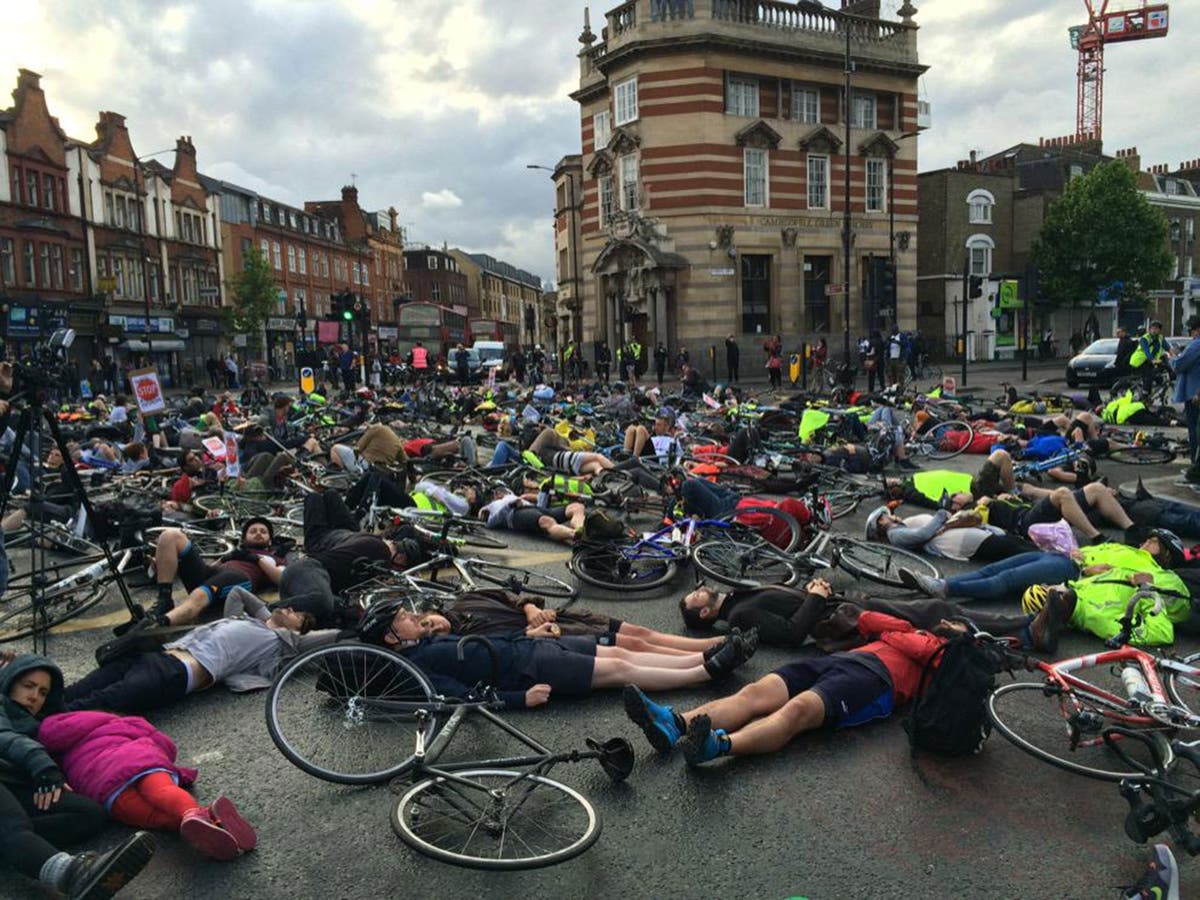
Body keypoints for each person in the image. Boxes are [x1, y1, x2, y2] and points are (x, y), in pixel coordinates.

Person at [623, 612, 964, 766]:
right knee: (755, 693)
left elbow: (921, 652)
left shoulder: (947, 655)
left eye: (957, 624)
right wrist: (906, 627)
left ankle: (719, 745)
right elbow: (866, 620)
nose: (950, 621)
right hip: (843, 660)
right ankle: (675, 724)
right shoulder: (910, 630)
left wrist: (915, 636)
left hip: (875, 682)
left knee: (797, 711)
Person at [358, 602, 757, 709]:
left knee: (619, 650)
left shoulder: (425, 646)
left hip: (532, 645)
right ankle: (705, 671)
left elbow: (490, 644)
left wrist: (527, 630)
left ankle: (704, 660)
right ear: (392, 639)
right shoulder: (419, 665)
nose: (414, 617)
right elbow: (456, 696)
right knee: (619, 668)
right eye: (404, 619)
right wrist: (519, 699)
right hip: (530, 668)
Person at [0, 653, 157, 898]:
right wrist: (43, 767)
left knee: (88, 814)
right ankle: (72, 874)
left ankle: (17, 844)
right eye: (28, 686)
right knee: (13, 824)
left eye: (43, 692)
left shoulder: (41, 725)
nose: (34, 697)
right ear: (8, 682)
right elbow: (6, 739)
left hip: (15, 790)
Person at [38, 710, 256, 861]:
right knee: (163, 792)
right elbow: (162, 741)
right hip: (139, 759)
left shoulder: (57, 754)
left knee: (153, 818)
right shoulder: (116, 722)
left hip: (105, 789)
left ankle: (204, 828)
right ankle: (200, 814)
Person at [67, 590, 332, 714]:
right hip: (158, 654)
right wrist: (246, 618)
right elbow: (239, 593)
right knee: (78, 689)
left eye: (298, 616)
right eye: (292, 608)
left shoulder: (280, 641)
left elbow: (332, 638)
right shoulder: (253, 621)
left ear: (297, 632)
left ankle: (33, 736)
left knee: (92, 704)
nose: (290, 610)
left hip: (176, 673)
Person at [678, 576, 1052, 651]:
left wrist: (810, 587)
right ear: (708, 614)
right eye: (696, 598)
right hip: (843, 619)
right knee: (935, 614)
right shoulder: (741, 617)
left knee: (936, 616)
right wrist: (815, 594)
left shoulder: (738, 597)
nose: (699, 590)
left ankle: (1024, 631)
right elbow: (792, 633)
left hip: (843, 606)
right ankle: (1026, 631)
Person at [414, 589, 724, 655]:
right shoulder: (460, 642)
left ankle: (708, 643)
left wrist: (530, 608)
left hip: (565, 616)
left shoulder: (465, 600)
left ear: (427, 614)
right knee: (636, 645)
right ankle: (700, 655)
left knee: (640, 631)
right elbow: (507, 646)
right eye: (430, 632)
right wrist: (531, 628)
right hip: (559, 635)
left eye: (428, 622)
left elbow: (510, 596)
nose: (436, 627)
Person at [145, 518, 286, 628]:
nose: (258, 534)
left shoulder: (275, 559)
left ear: (270, 541)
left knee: (199, 594)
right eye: (253, 531)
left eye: (263, 531)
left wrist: (257, 560)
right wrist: (225, 558)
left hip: (239, 577)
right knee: (170, 535)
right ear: (244, 539)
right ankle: (164, 599)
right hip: (217, 574)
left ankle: (157, 624)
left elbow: (282, 579)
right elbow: (210, 571)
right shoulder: (237, 552)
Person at [863, 505, 1036, 563]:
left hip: (972, 538)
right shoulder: (896, 535)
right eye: (885, 515)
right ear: (881, 522)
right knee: (1016, 548)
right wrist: (940, 514)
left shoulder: (901, 528)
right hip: (966, 544)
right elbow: (923, 534)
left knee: (1016, 544)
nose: (890, 514)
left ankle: (1055, 557)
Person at [1171, 315, 1200, 480]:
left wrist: (1173, 356)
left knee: (1195, 431)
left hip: (1194, 395)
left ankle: (1195, 467)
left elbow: (1179, 365)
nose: (1191, 334)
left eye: (1192, 330)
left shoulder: (1197, 345)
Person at [1130, 320, 1168, 394]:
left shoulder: (1160, 338)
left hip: (1149, 361)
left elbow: (1168, 348)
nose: (1154, 330)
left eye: (1156, 329)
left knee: (1157, 374)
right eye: (1152, 328)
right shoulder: (1145, 338)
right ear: (1149, 329)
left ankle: (1150, 392)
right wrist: (1153, 360)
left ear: (1159, 330)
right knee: (1149, 375)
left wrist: (1175, 355)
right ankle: (1145, 394)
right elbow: (1147, 351)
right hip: (1139, 361)